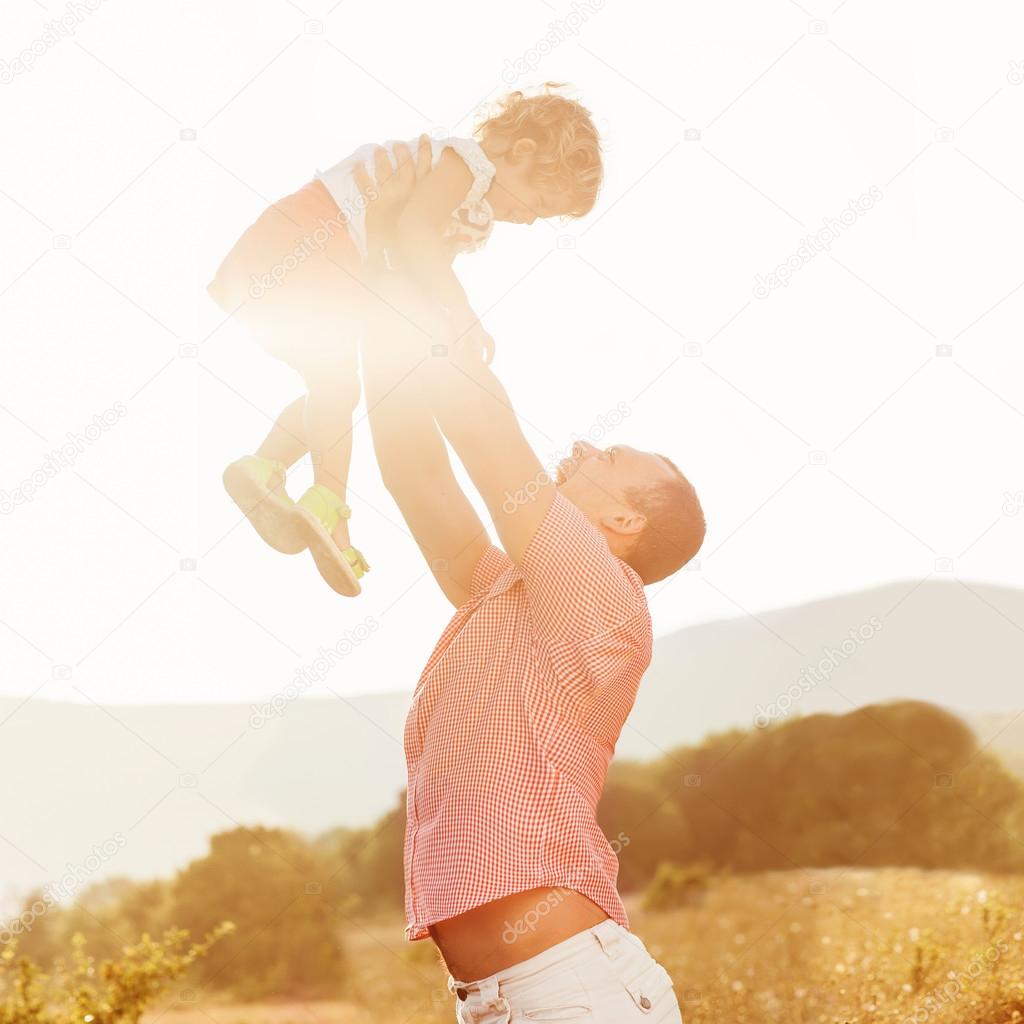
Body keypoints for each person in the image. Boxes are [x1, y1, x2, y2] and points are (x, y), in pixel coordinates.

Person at [355, 153, 704, 1022]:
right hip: (500, 1001)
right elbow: (415, 472)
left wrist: (427, 276)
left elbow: (483, 430)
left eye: (608, 458)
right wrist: (377, 284)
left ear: (625, 523)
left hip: (573, 990)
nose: (583, 446)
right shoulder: (509, 592)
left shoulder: (601, 592)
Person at [206, 86, 602, 596]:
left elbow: (414, 269)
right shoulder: (465, 164)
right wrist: (461, 316)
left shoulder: (469, 208)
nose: (529, 220)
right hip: (311, 238)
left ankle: (266, 466)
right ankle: (327, 506)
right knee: (335, 387)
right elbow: (415, 235)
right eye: (539, 203)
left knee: (333, 387)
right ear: (521, 153)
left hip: (309, 254)